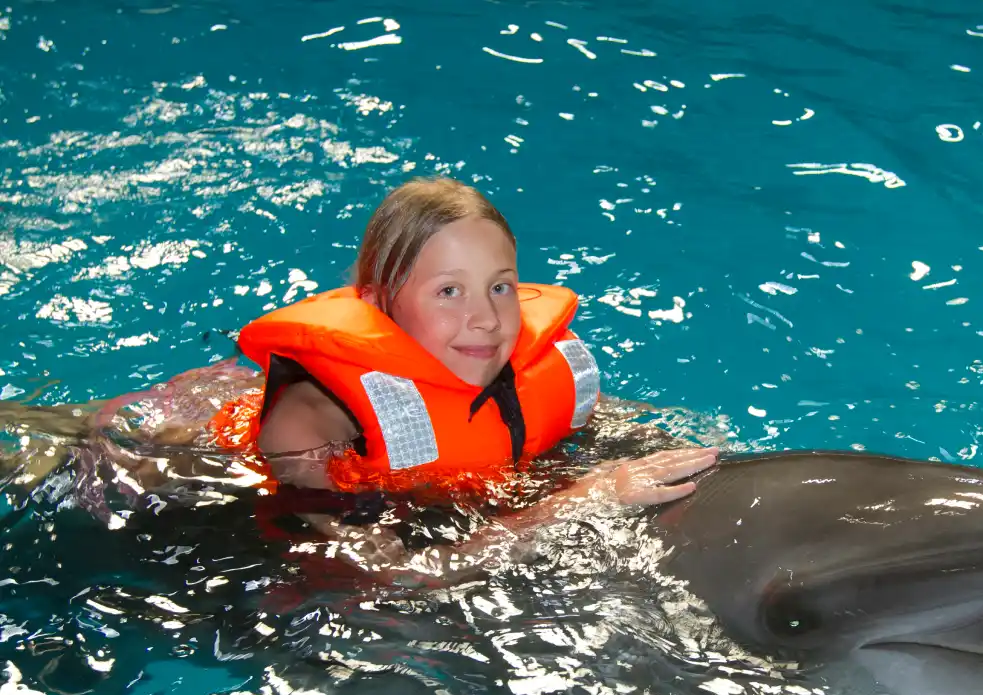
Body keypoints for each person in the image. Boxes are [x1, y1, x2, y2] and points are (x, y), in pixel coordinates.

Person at [1, 177, 720, 580]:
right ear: (381, 300)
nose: (486, 321)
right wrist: (570, 506)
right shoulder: (318, 412)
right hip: (159, 469)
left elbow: (565, 426)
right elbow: (376, 574)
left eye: (500, 287)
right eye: (449, 292)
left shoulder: (526, 364)